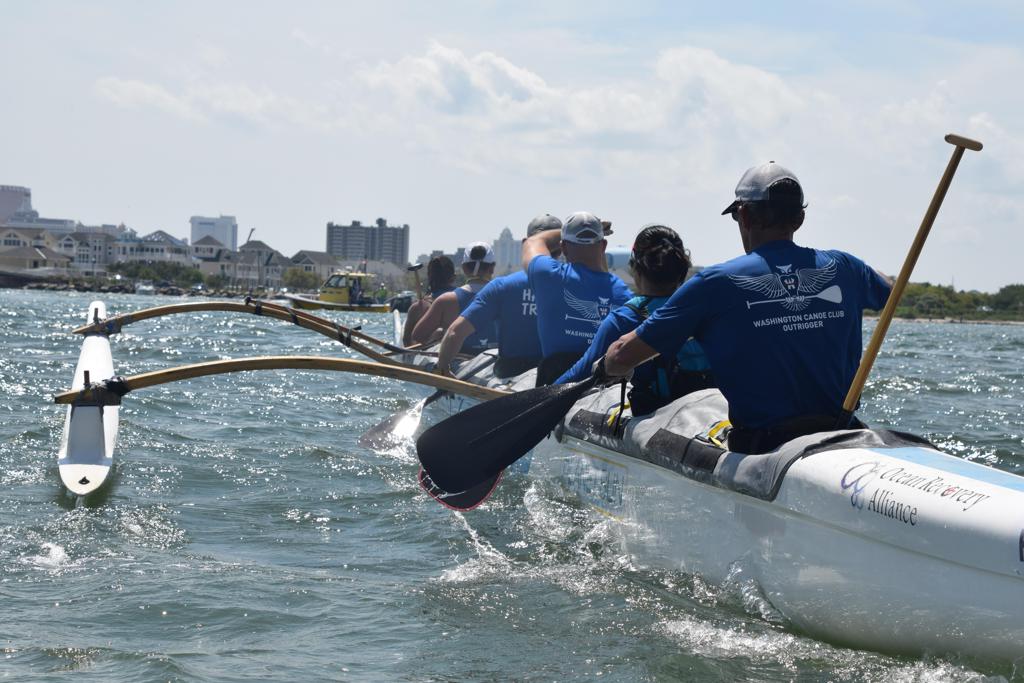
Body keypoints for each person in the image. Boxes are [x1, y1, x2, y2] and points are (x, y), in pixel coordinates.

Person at [603, 162, 892, 453]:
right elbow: (889, 290)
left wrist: (608, 365)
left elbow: (621, 356)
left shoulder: (714, 282)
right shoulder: (846, 266)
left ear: (744, 215)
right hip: (843, 433)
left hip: (763, 446)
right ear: (800, 218)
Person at [556, 224, 714, 414]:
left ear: (635, 269)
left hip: (657, 418)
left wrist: (542, 394)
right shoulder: (707, 311)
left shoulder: (624, 319)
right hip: (713, 411)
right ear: (682, 269)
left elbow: (579, 376)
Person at [434, 214, 560, 378]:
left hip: (510, 373)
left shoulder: (502, 286)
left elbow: (454, 333)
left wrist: (442, 368)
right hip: (557, 375)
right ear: (563, 248)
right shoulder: (578, 284)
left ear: (526, 244)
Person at [523, 211, 633, 385]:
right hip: (603, 385)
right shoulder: (624, 294)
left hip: (554, 386)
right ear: (604, 246)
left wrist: (565, 231)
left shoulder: (548, 275)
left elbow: (533, 241)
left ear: (563, 247)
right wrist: (596, 232)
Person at [411, 242, 498, 352]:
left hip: (457, 361)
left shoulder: (445, 300)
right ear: (492, 268)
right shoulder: (507, 298)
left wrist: (440, 333)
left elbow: (418, 336)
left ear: (464, 268)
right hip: (497, 361)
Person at [402, 256, 455, 347]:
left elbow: (407, 343)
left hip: (428, 352)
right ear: (453, 277)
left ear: (429, 276)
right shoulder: (466, 300)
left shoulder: (418, 308)